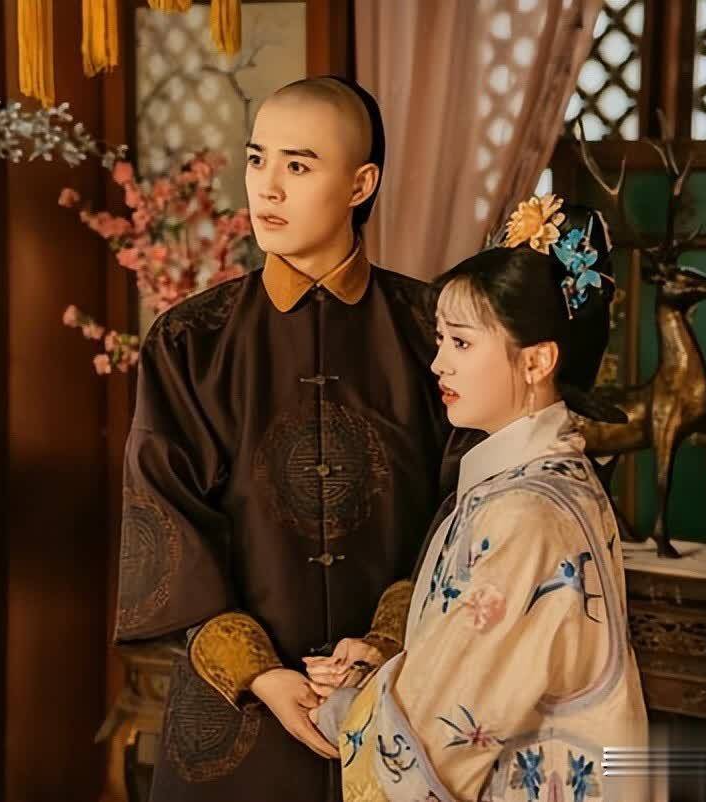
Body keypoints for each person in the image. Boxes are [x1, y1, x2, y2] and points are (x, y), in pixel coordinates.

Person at [112, 75, 468, 802]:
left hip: (406, 694)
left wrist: (388, 638)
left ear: (361, 184)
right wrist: (262, 674)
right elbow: (166, 516)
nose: (266, 187)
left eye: (298, 166)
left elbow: (468, 503)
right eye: (256, 160)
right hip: (238, 716)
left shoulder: (433, 330)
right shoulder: (191, 341)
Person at [308, 195, 650, 802]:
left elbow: (444, 728)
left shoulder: (526, 512)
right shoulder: (539, 481)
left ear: (537, 360)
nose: (439, 363)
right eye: (441, 339)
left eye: (462, 343)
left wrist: (345, 707)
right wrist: (384, 666)